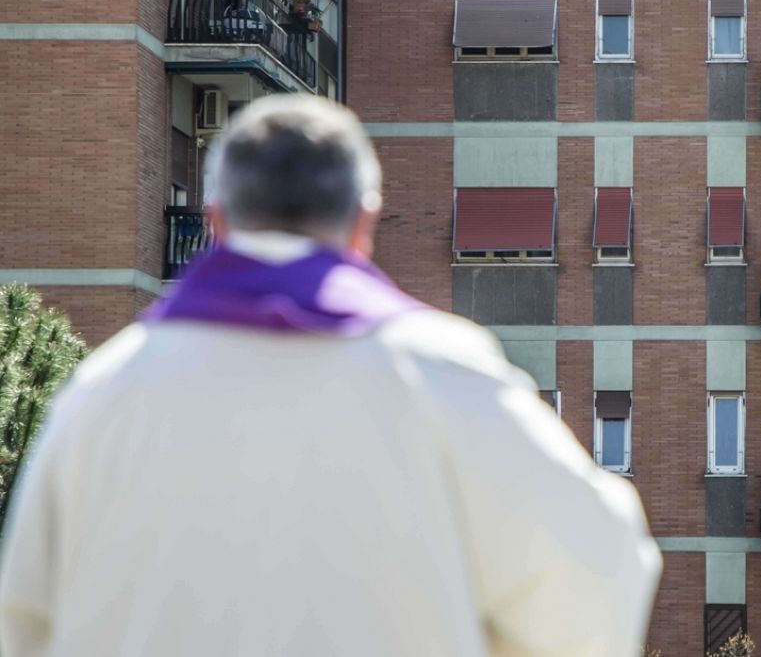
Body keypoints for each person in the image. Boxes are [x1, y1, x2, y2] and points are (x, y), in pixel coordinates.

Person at [0, 96, 662, 657]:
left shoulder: (100, 393)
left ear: (216, 221)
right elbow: (597, 567)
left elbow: (22, 620)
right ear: (364, 223)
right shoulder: (446, 373)